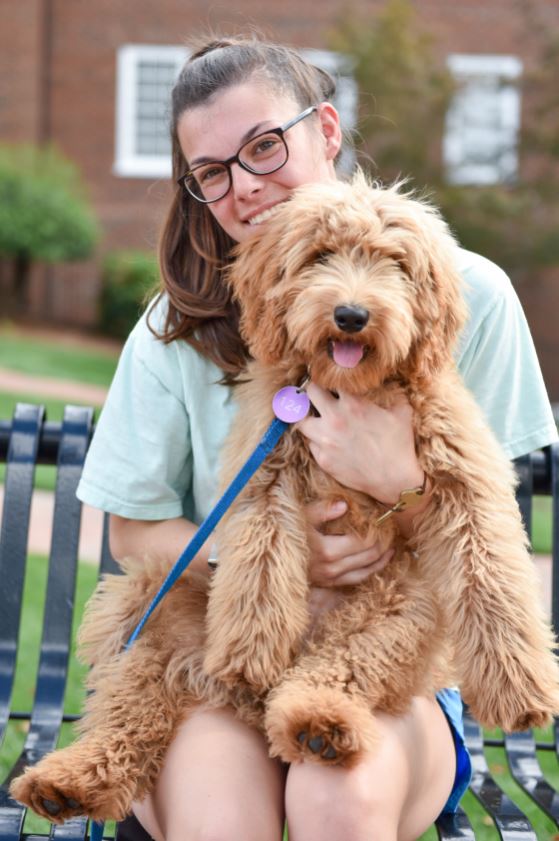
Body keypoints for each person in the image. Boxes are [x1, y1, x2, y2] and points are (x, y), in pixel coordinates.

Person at [76, 35, 558, 841]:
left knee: (337, 797)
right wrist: (273, 559)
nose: (245, 185)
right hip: (224, 657)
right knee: (221, 818)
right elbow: (132, 532)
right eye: (212, 172)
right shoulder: (173, 328)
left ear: (325, 131)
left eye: (264, 146)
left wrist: (398, 481)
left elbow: (484, 522)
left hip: (393, 671)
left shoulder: (466, 290)